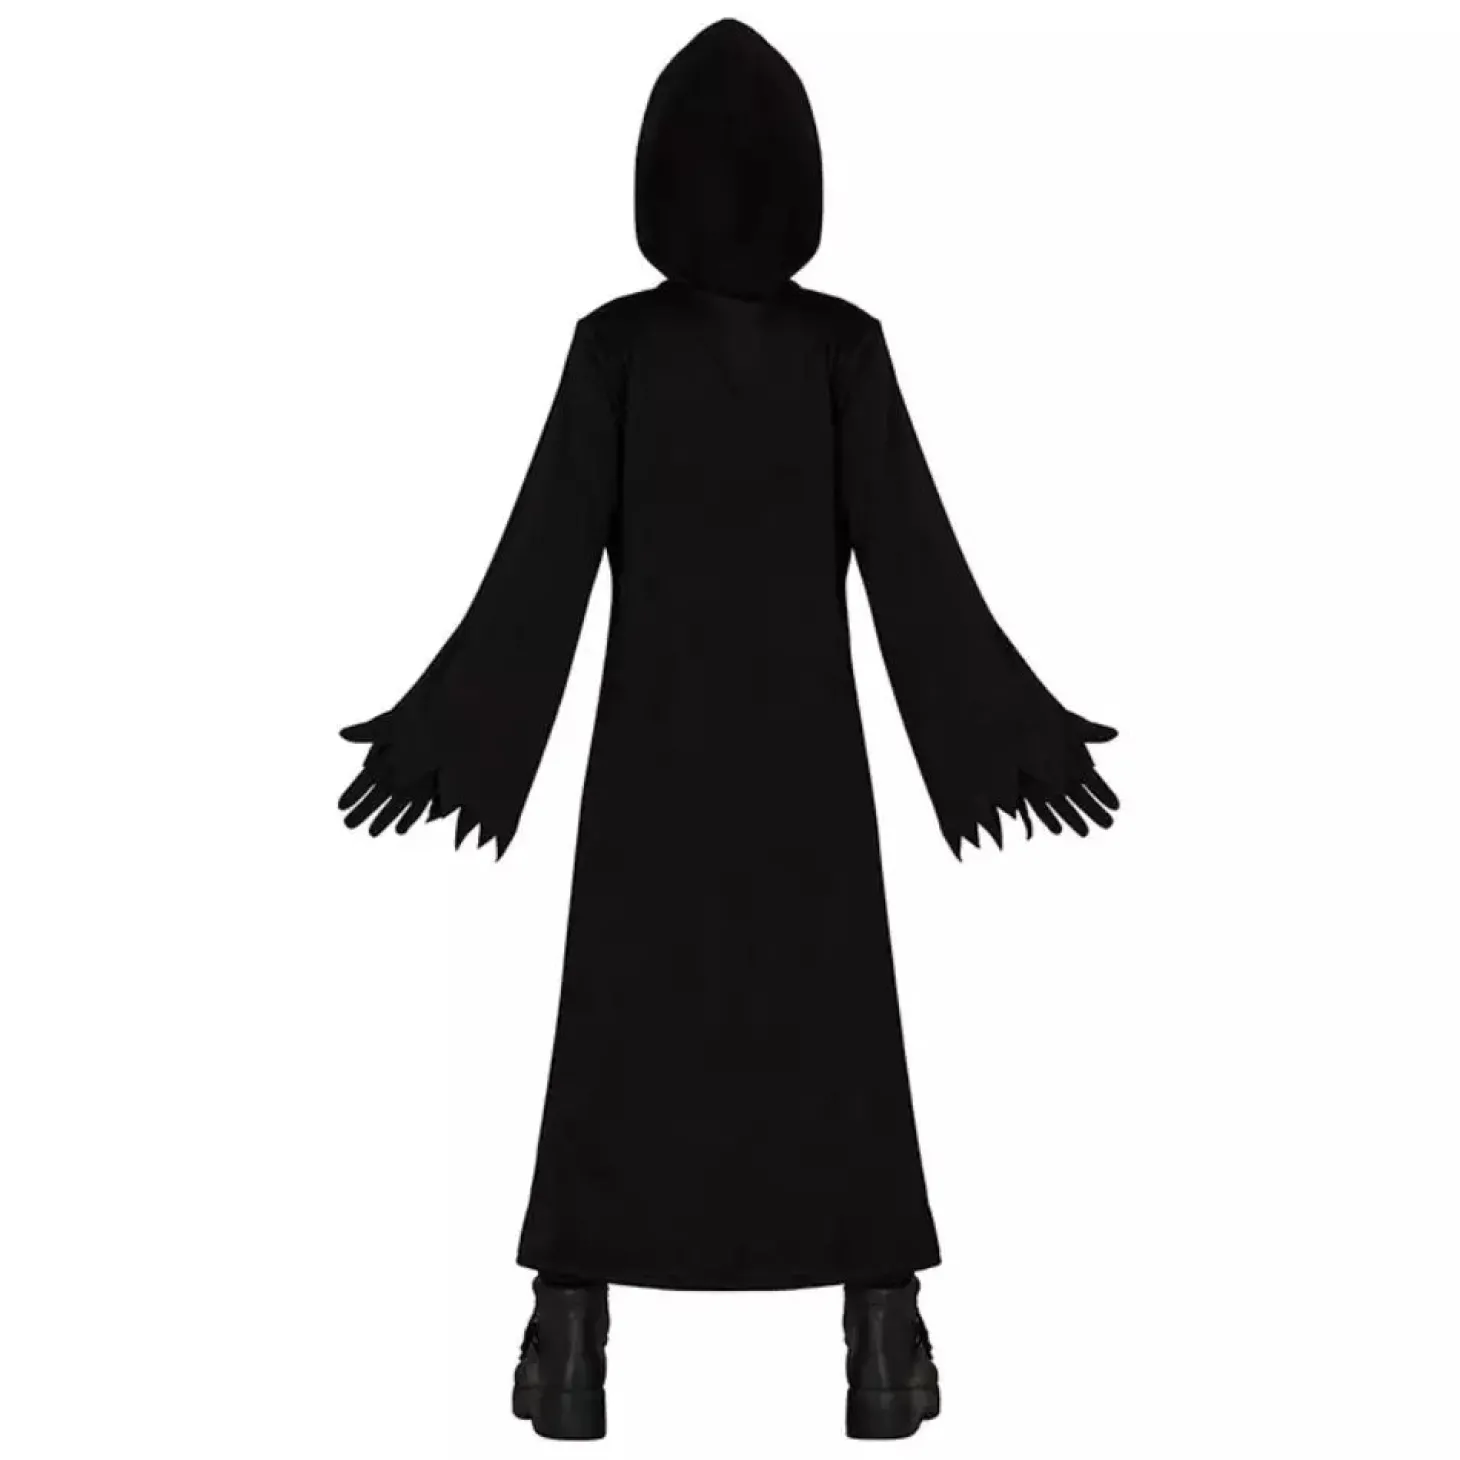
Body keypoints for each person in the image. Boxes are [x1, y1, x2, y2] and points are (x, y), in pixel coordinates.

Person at [338, 18, 1118, 1442]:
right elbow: (916, 568)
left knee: (619, 1030)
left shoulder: (618, 350)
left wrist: (452, 728)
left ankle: (569, 1334)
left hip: (652, 762)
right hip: (807, 765)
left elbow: (541, 569)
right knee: (837, 1032)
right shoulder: (840, 351)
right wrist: (1005, 729)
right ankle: (882, 1333)